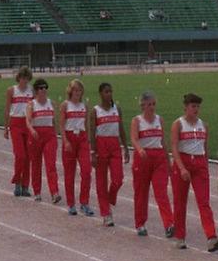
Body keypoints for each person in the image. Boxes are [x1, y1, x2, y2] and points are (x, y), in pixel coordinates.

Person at [170, 93, 218, 252]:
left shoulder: (203, 125)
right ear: (185, 107)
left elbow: (205, 147)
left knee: (204, 201)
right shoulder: (178, 125)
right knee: (180, 202)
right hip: (183, 162)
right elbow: (173, 147)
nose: (196, 109)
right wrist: (181, 168)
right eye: (193, 106)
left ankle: (211, 237)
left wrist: (205, 165)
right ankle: (180, 237)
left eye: (198, 106)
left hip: (199, 164)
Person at [130, 91, 174, 238]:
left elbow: (163, 141)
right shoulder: (137, 121)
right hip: (142, 159)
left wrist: (168, 162)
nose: (152, 107)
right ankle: (140, 224)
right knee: (141, 193)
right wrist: (140, 149)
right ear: (142, 105)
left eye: (153, 104)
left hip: (158, 158)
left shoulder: (159, 120)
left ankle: (169, 224)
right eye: (149, 104)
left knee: (161, 192)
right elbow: (134, 139)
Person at [88, 82, 129, 227]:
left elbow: (121, 128)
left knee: (118, 178)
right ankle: (106, 213)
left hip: (114, 146)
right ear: (100, 94)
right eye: (106, 92)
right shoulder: (95, 111)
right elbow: (92, 132)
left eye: (111, 91)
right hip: (101, 146)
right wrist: (93, 152)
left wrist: (125, 147)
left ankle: (111, 197)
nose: (109, 94)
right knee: (101, 182)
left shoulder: (116, 109)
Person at [58, 79, 94, 216]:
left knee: (86, 170)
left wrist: (89, 141)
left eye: (79, 90)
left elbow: (87, 125)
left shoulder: (84, 106)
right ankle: (71, 203)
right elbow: (61, 124)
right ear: (70, 91)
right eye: (75, 90)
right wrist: (65, 141)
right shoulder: (65, 105)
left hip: (82, 138)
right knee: (70, 173)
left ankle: (84, 202)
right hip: (70, 137)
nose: (77, 93)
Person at [25, 78, 61, 204]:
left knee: (50, 164)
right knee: (36, 164)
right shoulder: (31, 104)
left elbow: (54, 121)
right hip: (36, 136)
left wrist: (57, 134)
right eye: (41, 88)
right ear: (36, 91)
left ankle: (54, 192)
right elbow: (28, 121)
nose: (44, 90)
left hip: (49, 135)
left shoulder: (51, 103)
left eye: (45, 87)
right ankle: (37, 191)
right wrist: (32, 130)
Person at [3, 66, 34, 197]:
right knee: (20, 155)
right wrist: (6, 127)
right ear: (19, 78)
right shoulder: (12, 90)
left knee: (28, 157)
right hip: (15, 124)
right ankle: (17, 181)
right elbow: (7, 109)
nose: (24, 81)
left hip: (27, 123)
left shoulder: (31, 91)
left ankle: (25, 186)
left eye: (26, 78)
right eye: (22, 78)